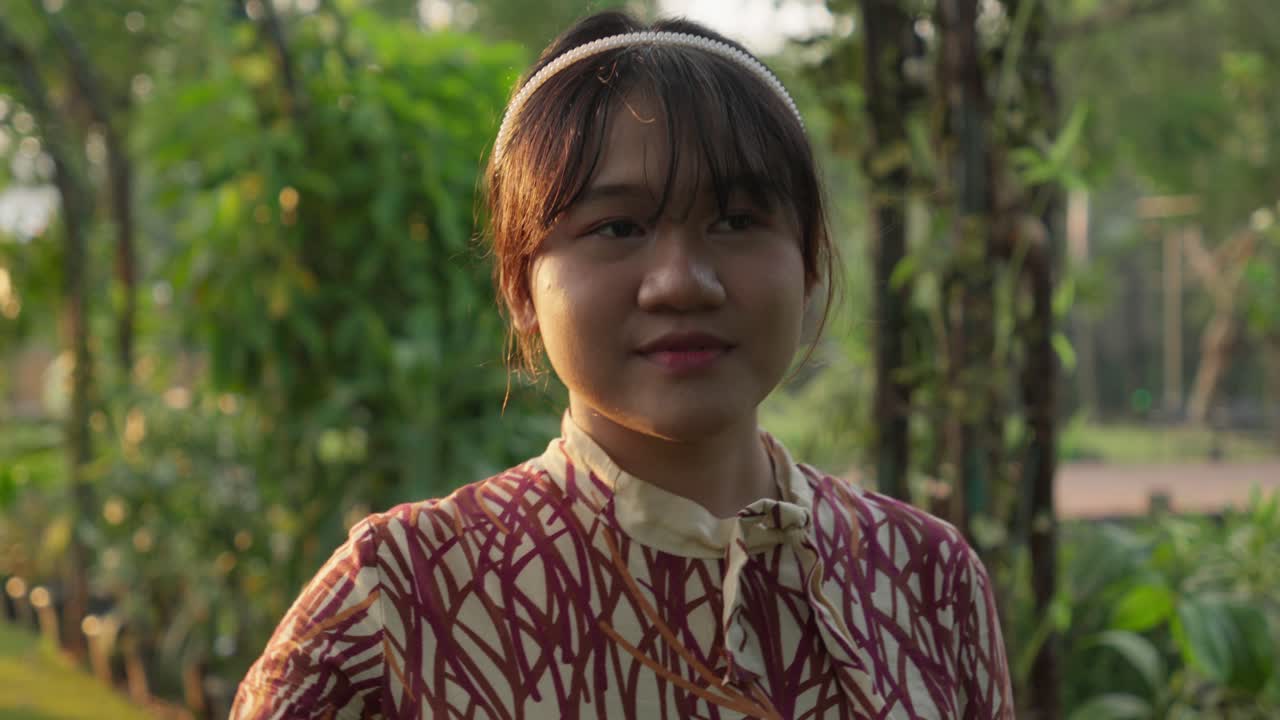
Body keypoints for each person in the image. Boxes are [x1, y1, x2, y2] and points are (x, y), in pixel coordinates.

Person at [231, 10, 1014, 719]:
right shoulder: (397, 601)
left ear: (808, 262)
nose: (681, 282)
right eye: (617, 228)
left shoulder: (924, 578)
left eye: (737, 220)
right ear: (520, 286)